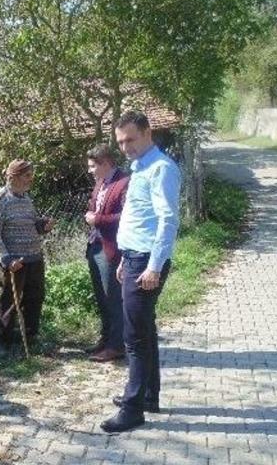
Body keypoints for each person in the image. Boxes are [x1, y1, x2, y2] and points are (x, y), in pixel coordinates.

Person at [100, 111, 181, 433]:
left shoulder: (161, 168)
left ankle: (133, 409)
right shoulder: (141, 167)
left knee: (133, 337)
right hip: (134, 257)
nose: (125, 147)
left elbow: (167, 220)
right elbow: (139, 219)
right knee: (144, 330)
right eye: (120, 142)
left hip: (146, 261)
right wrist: (125, 258)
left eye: (130, 139)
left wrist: (153, 266)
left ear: (148, 133)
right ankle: (148, 396)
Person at [0, 159, 55, 356]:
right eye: (26, 176)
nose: (30, 180)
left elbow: (31, 225)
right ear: (12, 177)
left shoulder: (26, 199)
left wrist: (43, 225)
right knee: (9, 303)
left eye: (31, 176)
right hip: (13, 262)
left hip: (34, 258)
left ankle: (31, 338)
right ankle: (2, 342)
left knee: (35, 298)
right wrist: (6, 260)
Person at [84, 145, 130, 363]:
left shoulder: (124, 182)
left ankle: (116, 346)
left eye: (93, 166)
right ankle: (106, 340)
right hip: (95, 246)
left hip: (111, 248)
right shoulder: (101, 183)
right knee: (102, 298)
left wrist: (98, 219)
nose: (91, 171)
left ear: (106, 162)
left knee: (113, 298)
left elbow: (127, 216)